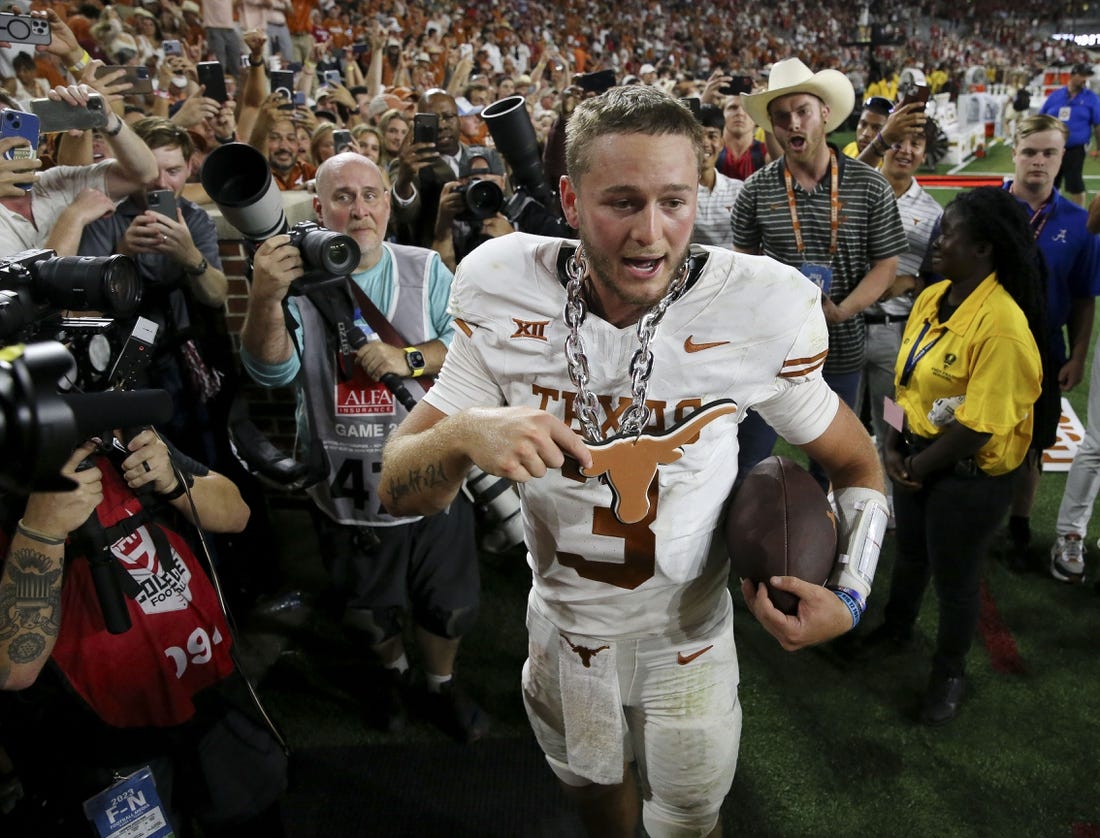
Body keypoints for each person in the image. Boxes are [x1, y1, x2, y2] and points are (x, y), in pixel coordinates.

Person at [377, 85, 888, 838]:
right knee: (594, 800)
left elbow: (855, 465)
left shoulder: (754, 308)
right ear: (570, 199)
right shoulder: (502, 287)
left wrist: (848, 596)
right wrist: (462, 436)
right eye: (622, 201)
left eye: (674, 201)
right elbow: (396, 487)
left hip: (688, 641)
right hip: (561, 633)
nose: (652, 233)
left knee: (688, 819)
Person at [239, 153, 489, 742]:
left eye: (371, 195)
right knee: (366, 611)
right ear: (319, 207)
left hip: (432, 474)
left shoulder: (424, 268)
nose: (360, 209)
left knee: (449, 606)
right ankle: (393, 676)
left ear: (387, 201)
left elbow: (473, 349)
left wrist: (407, 357)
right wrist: (265, 298)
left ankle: (440, 684)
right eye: (344, 197)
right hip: (347, 487)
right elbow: (271, 374)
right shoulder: (293, 279)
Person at [0, 427, 287, 835]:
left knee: (252, 817)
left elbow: (237, 514)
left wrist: (173, 479)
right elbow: (13, 666)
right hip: (105, 741)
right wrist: (40, 531)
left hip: (211, 690)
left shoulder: (114, 436)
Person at [869, 187, 1045, 725]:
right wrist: (894, 444)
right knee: (914, 555)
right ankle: (897, 630)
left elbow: (976, 429)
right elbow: (907, 380)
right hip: (917, 458)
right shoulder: (932, 296)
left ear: (985, 249)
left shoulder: (1004, 327)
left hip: (968, 478)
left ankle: (949, 673)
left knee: (957, 579)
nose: (936, 241)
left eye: (948, 233)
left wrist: (913, 467)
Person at [731, 58, 908, 487]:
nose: (793, 123)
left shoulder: (869, 184)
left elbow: (887, 264)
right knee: (746, 458)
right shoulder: (755, 190)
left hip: (843, 347)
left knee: (832, 464)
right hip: (773, 352)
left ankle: (828, 545)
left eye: (802, 111)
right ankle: (734, 548)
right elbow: (745, 266)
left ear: (824, 113)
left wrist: (844, 311)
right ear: (771, 126)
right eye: (781, 116)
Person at [1001, 115, 1100, 575]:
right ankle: (969, 520)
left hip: (1044, 349)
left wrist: (1078, 354)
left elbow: (1084, 297)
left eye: (1049, 153)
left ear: (1064, 157)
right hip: (980, 344)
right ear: (1014, 153)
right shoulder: (980, 208)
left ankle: (1019, 525)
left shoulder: (1081, 225)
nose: (1038, 161)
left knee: (1033, 445)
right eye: (1030, 152)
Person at [859, 120, 943, 480]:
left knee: (892, 420)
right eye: (900, 140)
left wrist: (913, 280)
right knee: (832, 421)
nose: (906, 149)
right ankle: (836, 496)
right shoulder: (854, 189)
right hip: (841, 328)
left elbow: (944, 276)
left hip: (895, 334)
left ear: (925, 152)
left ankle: (888, 498)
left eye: (917, 143)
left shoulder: (934, 211)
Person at [1039, 63, 1100, 207]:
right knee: (1051, 180)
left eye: (1087, 76)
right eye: (1082, 76)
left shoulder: (1091, 98)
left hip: (1075, 147)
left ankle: (1078, 214)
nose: (1085, 79)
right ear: (1073, 75)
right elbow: (1041, 118)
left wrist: (1099, 147)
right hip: (1052, 147)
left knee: (1074, 181)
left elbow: (1098, 125)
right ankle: (1050, 213)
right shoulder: (1056, 96)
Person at [692, 103, 742, 247]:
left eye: (712, 136)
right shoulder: (676, 193)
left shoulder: (739, 190)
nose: (705, 142)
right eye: (698, 136)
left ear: (721, 143)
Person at [716, 93, 768, 180]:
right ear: (722, 114)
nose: (740, 113)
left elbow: (782, 163)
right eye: (733, 107)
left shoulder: (765, 152)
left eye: (747, 109)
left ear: (757, 117)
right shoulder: (711, 149)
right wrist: (704, 101)